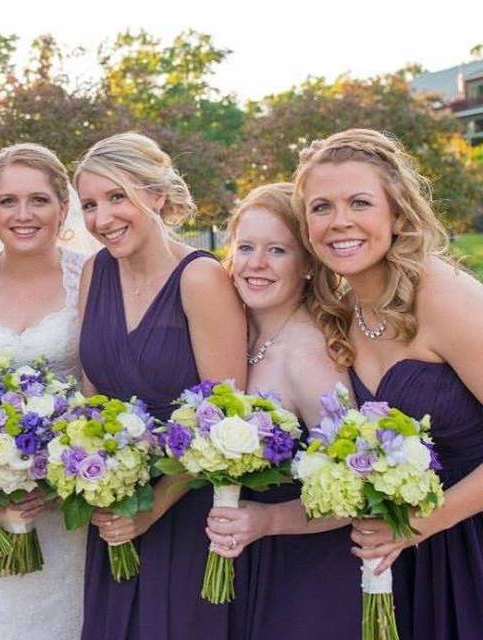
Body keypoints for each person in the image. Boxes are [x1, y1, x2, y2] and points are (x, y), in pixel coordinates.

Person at [294, 128, 483, 640]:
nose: (340, 222)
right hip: (409, 557)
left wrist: (419, 524)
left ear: (396, 213)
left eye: (359, 202)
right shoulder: (342, 311)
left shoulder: (444, 296)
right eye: (321, 207)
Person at [75, 132, 247, 640]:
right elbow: (92, 395)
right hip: (114, 509)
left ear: (156, 195)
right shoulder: (93, 272)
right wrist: (94, 475)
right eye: (89, 204)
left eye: (116, 197)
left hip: (185, 511)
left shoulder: (200, 279)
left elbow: (225, 419)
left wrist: (152, 507)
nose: (102, 218)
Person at [0, 142, 89, 640]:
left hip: (73, 497)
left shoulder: (89, 278)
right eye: (8, 201)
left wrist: (66, 475)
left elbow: (98, 390)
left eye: (39, 200)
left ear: (62, 208)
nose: (23, 215)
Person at [205, 183, 360, 639]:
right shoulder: (233, 330)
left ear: (308, 264)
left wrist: (266, 519)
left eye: (277, 250)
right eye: (247, 247)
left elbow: (355, 489)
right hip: (244, 557)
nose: (255, 264)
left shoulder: (310, 354)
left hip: (304, 570)